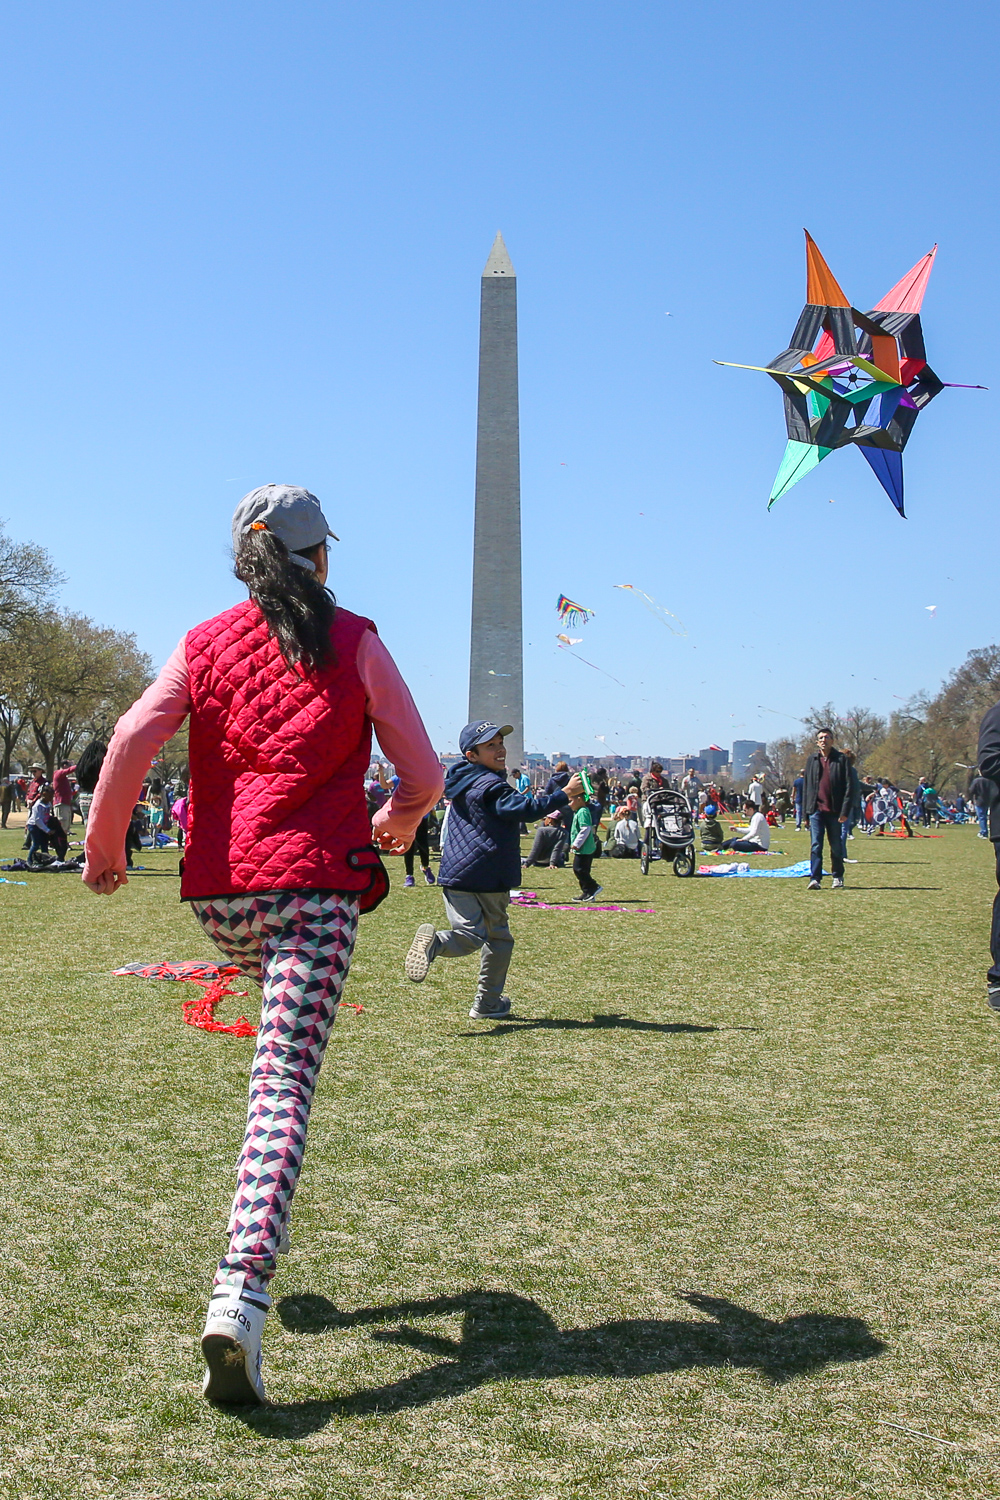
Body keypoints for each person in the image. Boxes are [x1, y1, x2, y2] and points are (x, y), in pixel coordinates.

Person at [82, 483, 442, 1405]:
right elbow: (423, 771)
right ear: (321, 557)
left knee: (276, 1026)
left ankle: (246, 1287)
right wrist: (398, 822)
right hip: (315, 890)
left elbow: (133, 733)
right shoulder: (355, 640)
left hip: (223, 896)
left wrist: (106, 844)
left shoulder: (203, 641)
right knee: (281, 1086)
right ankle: (240, 1293)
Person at [404, 723, 582, 1019]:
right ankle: (484, 999)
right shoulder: (490, 785)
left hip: (455, 872)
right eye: (491, 746)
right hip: (488, 871)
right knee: (495, 937)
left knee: (469, 932)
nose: (501, 749)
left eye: (500, 743)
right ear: (472, 755)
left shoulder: (461, 780)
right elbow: (526, 809)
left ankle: (446, 956)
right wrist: (564, 793)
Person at [802, 727, 850, 890]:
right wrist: (806, 813)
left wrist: (845, 811)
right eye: (821, 738)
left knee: (835, 845)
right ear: (817, 742)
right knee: (816, 845)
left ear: (832, 741)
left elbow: (849, 786)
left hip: (835, 811)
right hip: (816, 810)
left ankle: (837, 876)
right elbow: (807, 787)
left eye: (827, 737)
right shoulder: (812, 760)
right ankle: (815, 878)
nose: (824, 740)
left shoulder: (841, 759)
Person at [566, 783, 602, 900]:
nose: (569, 804)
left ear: (579, 799)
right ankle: (587, 892)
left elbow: (585, 829)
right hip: (582, 848)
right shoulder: (579, 811)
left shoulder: (583, 812)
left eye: (571, 801)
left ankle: (593, 887)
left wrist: (576, 844)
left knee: (580, 869)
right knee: (580, 870)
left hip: (585, 848)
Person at [403, 814, 435, 887]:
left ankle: (425, 867)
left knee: (423, 844)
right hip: (407, 817)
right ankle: (409, 875)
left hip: (422, 816)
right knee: (409, 845)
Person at [52, 761, 76, 837]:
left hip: (65, 804)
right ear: (64, 765)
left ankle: (63, 842)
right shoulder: (59, 773)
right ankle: (58, 842)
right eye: (69, 765)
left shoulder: (63, 777)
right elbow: (70, 770)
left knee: (66, 827)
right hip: (61, 804)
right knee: (62, 826)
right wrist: (81, 764)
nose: (70, 766)